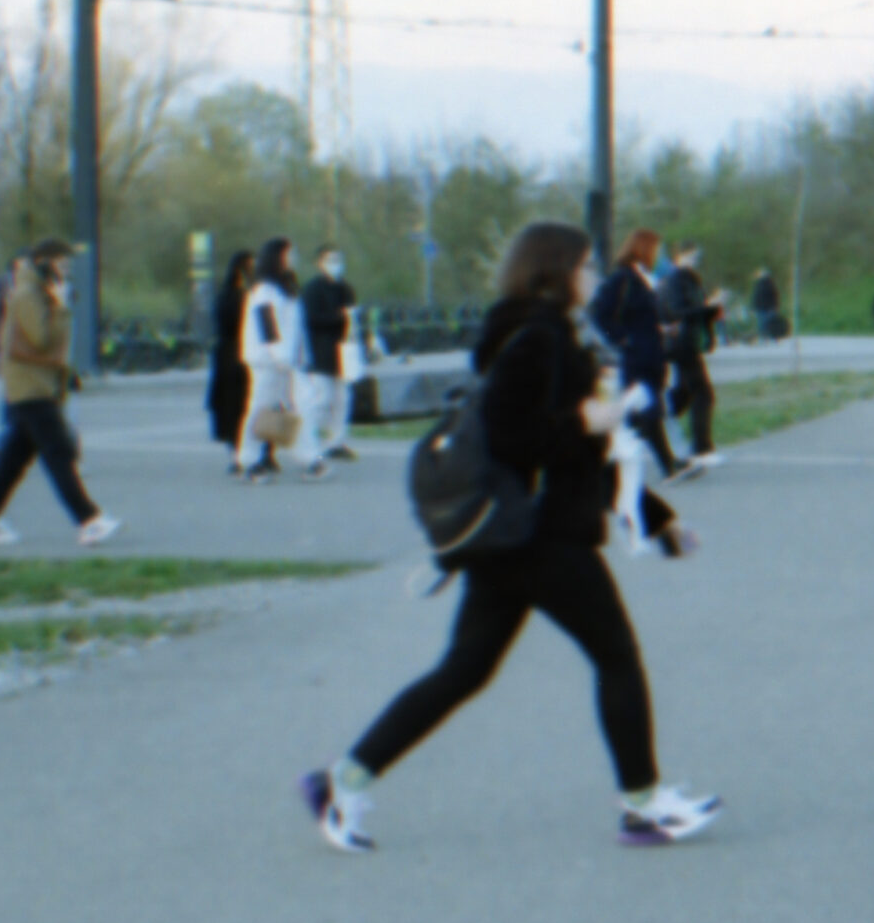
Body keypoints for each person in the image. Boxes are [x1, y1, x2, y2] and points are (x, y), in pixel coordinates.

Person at [299, 219, 720, 852]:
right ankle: (643, 805)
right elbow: (514, 437)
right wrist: (585, 417)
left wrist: (657, 518)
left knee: (465, 670)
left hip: (515, 534)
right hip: (539, 534)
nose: (595, 276)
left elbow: (578, 455)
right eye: (586, 266)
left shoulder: (545, 335)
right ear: (556, 271)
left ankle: (344, 781)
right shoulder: (539, 339)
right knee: (615, 657)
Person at [0, 238, 120, 545]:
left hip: (33, 385)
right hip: (31, 386)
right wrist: (61, 308)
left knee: (14, 459)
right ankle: (89, 520)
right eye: (61, 264)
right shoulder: (27, 294)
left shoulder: (34, 292)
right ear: (44, 263)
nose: (65, 270)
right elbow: (41, 339)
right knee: (59, 453)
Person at [588, 227, 683, 480]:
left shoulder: (644, 278)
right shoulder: (622, 278)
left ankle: (609, 468)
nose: (660, 255)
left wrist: (661, 329)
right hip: (637, 356)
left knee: (641, 416)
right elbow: (600, 314)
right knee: (648, 411)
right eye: (656, 249)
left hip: (652, 353)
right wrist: (622, 338)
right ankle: (669, 465)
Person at [237, 237, 312, 483]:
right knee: (260, 409)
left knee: (293, 410)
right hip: (268, 361)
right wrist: (281, 357)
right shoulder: (264, 290)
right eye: (289, 254)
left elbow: (295, 328)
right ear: (277, 257)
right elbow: (268, 327)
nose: (293, 259)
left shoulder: (286, 287)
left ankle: (307, 459)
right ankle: (249, 460)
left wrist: (298, 357)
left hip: (287, 360)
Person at [657, 242, 726, 476]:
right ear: (679, 256)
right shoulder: (676, 279)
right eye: (690, 256)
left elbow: (699, 310)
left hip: (690, 342)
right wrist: (709, 309)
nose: (695, 260)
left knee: (685, 394)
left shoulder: (692, 279)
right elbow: (679, 311)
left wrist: (712, 313)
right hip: (680, 343)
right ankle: (701, 449)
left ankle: (648, 425)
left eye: (697, 256)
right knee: (703, 393)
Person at [297, 243, 361, 472]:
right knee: (321, 398)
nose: (336, 264)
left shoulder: (345, 288)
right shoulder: (313, 289)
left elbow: (353, 317)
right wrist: (340, 318)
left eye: (338, 259)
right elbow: (312, 319)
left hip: (344, 350)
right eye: (330, 260)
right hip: (321, 349)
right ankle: (311, 440)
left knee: (343, 397)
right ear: (319, 263)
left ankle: (336, 441)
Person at [206, 248, 255, 476]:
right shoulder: (231, 295)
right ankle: (237, 452)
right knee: (235, 406)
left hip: (242, 355)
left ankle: (255, 451)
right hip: (233, 356)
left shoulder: (256, 291)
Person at [749, 267, 786, 342]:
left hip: (763, 308)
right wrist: (776, 306)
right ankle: (770, 338)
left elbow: (756, 297)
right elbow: (775, 297)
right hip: (767, 308)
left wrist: (753, 307)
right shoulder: (770, 284)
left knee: (763, 324)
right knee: (769, 324)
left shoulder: (759, 285)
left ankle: (764, 338)